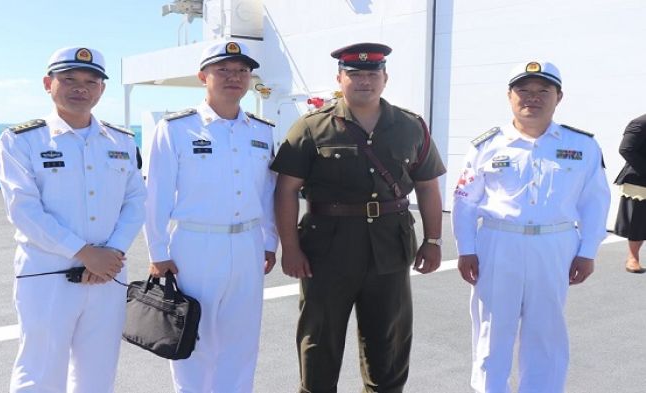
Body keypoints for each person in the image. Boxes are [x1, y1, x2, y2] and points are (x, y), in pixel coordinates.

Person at [271, 42, 446, 393]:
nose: (364, 81)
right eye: (355, 74)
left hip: (390, 249)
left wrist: (433, 240)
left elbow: (427, 186)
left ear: (385, 78)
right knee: (319, 340)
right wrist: (290, 248)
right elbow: (286, 190)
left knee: (389, 342)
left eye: (372, 74)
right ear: (340, 78)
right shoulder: (310, 128)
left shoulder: (411, 127)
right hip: (326, 250)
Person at [452, 61, 611, 393]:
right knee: (493, 330)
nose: (532, 98)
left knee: (546, 331)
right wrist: (466, 249)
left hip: (555, 245)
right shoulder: (487, 145)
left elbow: (596, 202)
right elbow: (465, 201)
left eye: (543, 91)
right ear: (509, 96)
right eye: (523, 90)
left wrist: (588, 252)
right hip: (498, 242)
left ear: (559, 97)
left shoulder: (582, 145)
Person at [0, 47, 146, 392]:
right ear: (48, 84)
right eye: (69, 79)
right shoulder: (22, 140)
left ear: (101, 89)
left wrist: (113, 252)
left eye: (91, 81)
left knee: (98, 372)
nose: (81, 87)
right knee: (41, 370)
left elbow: (136, 200)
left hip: (109, 274)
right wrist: (84, 251)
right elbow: (23, 210)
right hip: (48, 274)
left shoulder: (121, 140)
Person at [143, 40, 278, 392]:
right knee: (193, 338)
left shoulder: (263, 132)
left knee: (242, 340)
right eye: (223, 70)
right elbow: (155, 195)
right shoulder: (175, 129)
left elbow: (267, 192)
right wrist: (158, 252)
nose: (234, 77)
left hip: (248, 245)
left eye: (242, 71)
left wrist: (269, 239)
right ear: (203, 76)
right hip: (194, 245)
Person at [614, 114, 646, 273]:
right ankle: (633, 258)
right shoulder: (640, 123)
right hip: (640, 180)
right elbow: (626, 149)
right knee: (638, 222)